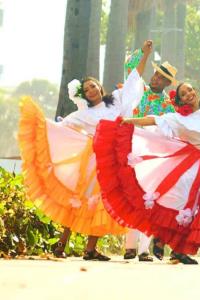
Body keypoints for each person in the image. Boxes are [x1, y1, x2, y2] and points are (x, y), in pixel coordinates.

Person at [93, 44, 200, 263]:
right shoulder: (178, 118)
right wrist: (127, 121)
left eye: (191, 90)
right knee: (186, 205)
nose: (190, 93)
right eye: (184, 93)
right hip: (193, 165)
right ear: (180, 101)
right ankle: (179, 248)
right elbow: (153, 120)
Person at [18, 65, 143, 260]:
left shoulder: (117, 101)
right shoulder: (85, 114)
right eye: (86, 90)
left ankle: (90, 249)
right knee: (80, 199)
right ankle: (61, 244)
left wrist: (144, 55)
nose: (91, 91)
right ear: (84, 96)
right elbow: (62, 125)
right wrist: (41, 128)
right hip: (94, 160)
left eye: (92, 86)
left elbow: (133, 81)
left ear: (99, 87)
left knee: (104, 203)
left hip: (114, 161)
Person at [123, 39, 177, 262]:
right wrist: (145, 53)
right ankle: (129, 246)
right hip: (133, 147)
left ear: (167, 83)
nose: (156, 79)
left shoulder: (168, 106)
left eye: (162, 78)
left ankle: (144, 248)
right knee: (132, 196)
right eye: (155, 75)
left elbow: (169, 130)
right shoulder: (140, 90)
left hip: (153, 154)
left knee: (148, 198)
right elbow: (131, 68)